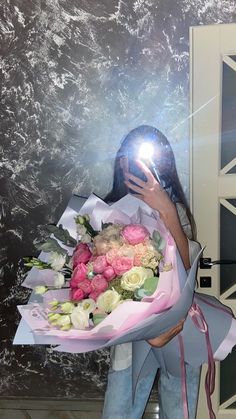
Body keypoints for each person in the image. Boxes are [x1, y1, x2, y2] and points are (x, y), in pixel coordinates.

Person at [102, 125, 201, 419]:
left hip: (179, 328)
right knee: (119, 411)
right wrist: (145, 331)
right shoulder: (106, 211)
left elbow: (186, 270)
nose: (132, 165)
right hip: (130, 337)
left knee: (179, 410)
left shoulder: (176, 209)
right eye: (127, 157)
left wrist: (167, 211)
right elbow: (104, 283)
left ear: (163, 164)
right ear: (120, 163)